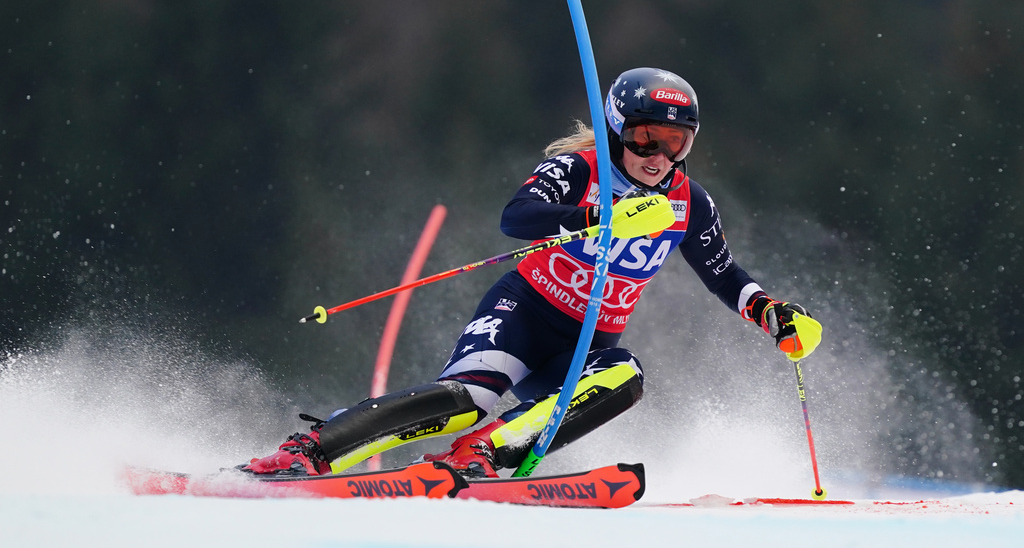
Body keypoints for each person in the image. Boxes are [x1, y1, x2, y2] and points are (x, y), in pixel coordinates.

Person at [242, 67, 823, 478]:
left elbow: (722, 272)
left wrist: (773, 316)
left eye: (676, 141)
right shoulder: (579, 169)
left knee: (626, 378)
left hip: (588, 342)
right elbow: (516, 217)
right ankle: (313, 449)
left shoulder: (689, 202)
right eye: (646, 136)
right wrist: (600, 216)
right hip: (525, 313)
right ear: (620, 129)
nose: (659, 155)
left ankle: (481, 457)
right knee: (467, 398)